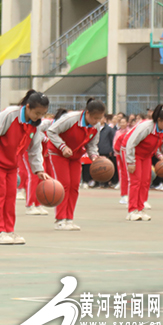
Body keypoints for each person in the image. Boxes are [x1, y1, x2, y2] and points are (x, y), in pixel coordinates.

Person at [0, 90, 50, 245]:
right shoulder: (9, 115)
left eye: (43, 114)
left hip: (12, 165)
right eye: (37, 113)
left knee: (10, 198)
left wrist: (39, 169)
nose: (39, 117)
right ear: (27, 107)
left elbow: (35, 148)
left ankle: (9, 230)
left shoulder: (35, 124)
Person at [45, 99, 105, 231]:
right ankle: (60, 219)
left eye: (99, 118)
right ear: (87, 113)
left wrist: (94, 156)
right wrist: (62, 146)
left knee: (74, 186)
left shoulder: (96, 126)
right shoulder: (71, 119)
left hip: (75, 155)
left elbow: (92, 144)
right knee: (64, 184)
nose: (96, 121)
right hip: (58, 153)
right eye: (94, 118)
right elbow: (51, 131)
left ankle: (69, 218)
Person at [124, 104, 163, 221]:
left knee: (146, 181)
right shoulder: (146, 127)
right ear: (159, 120)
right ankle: (132, 210)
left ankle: (140, 208)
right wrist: (130, 162)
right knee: (136, 181)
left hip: (146, 156)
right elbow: (131, 143)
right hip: (134, 153)